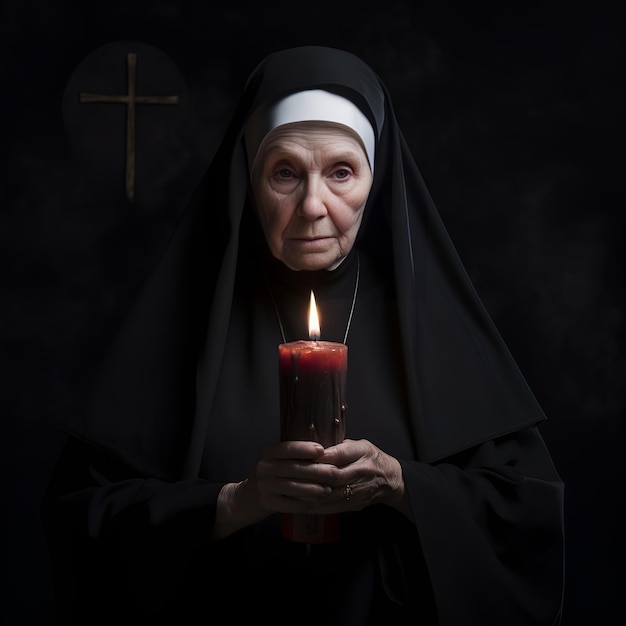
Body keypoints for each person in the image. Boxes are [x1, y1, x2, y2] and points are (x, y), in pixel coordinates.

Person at [42, 45, 565, 625]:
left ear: (377, 177)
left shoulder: (430, 329)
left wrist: (398, 484)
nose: (313, 205)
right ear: (249, 179)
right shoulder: (184, 322)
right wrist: (236, 502)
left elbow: (526, 520)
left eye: (342, 172)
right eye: (285, 172)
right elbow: (81, 522)